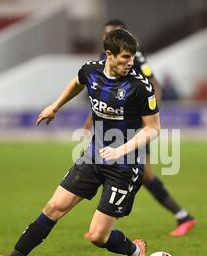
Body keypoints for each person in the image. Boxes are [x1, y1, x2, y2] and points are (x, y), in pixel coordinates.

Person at [0, 28, 160, 256]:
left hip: (124, 166)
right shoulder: (91, 71)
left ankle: (135, 250)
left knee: (98, 236)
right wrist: (55, 106)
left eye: (132, 58)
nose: (131, 63)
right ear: (109, 55)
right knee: (54, 207)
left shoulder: (140, 87)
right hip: (93, 157)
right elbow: (76, 82)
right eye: (125, 57)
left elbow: (153, 129)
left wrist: (120, 150)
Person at [83, 19, 196, 237]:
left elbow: (155, 85)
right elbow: (103, 96)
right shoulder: (103, 59)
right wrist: (91, 118)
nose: (110, 35)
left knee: (137, 173)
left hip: (134, 128)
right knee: (124, 170)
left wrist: (150, 116)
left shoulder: (135, 58)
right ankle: (181, 216)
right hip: (112, 128)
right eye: (107, 33)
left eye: (114, 32)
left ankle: (182, 215)